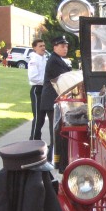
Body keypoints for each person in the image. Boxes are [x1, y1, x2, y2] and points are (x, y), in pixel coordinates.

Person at [41, 36, 72, 166]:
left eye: (66, 46)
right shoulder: (54, 61)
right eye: (62, 46)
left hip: (56, 100)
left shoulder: (58, 60)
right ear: (55, 47)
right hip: (52, 100)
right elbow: (64, 78)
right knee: (56, 132)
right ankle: (52, 160)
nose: (65, 48)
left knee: (58, 131)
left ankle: (55, 159)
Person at [27, 38, 48, 141]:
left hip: (45, 89)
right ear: (34, 48)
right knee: (38, 117)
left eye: (44, 46)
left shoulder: (44, 58)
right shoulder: (33, 60)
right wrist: (46, 81)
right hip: (37, 90)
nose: (43, 48)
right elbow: (33, 77)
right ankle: (33, 139)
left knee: (42, 117)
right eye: (40, 46)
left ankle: (37, 139)